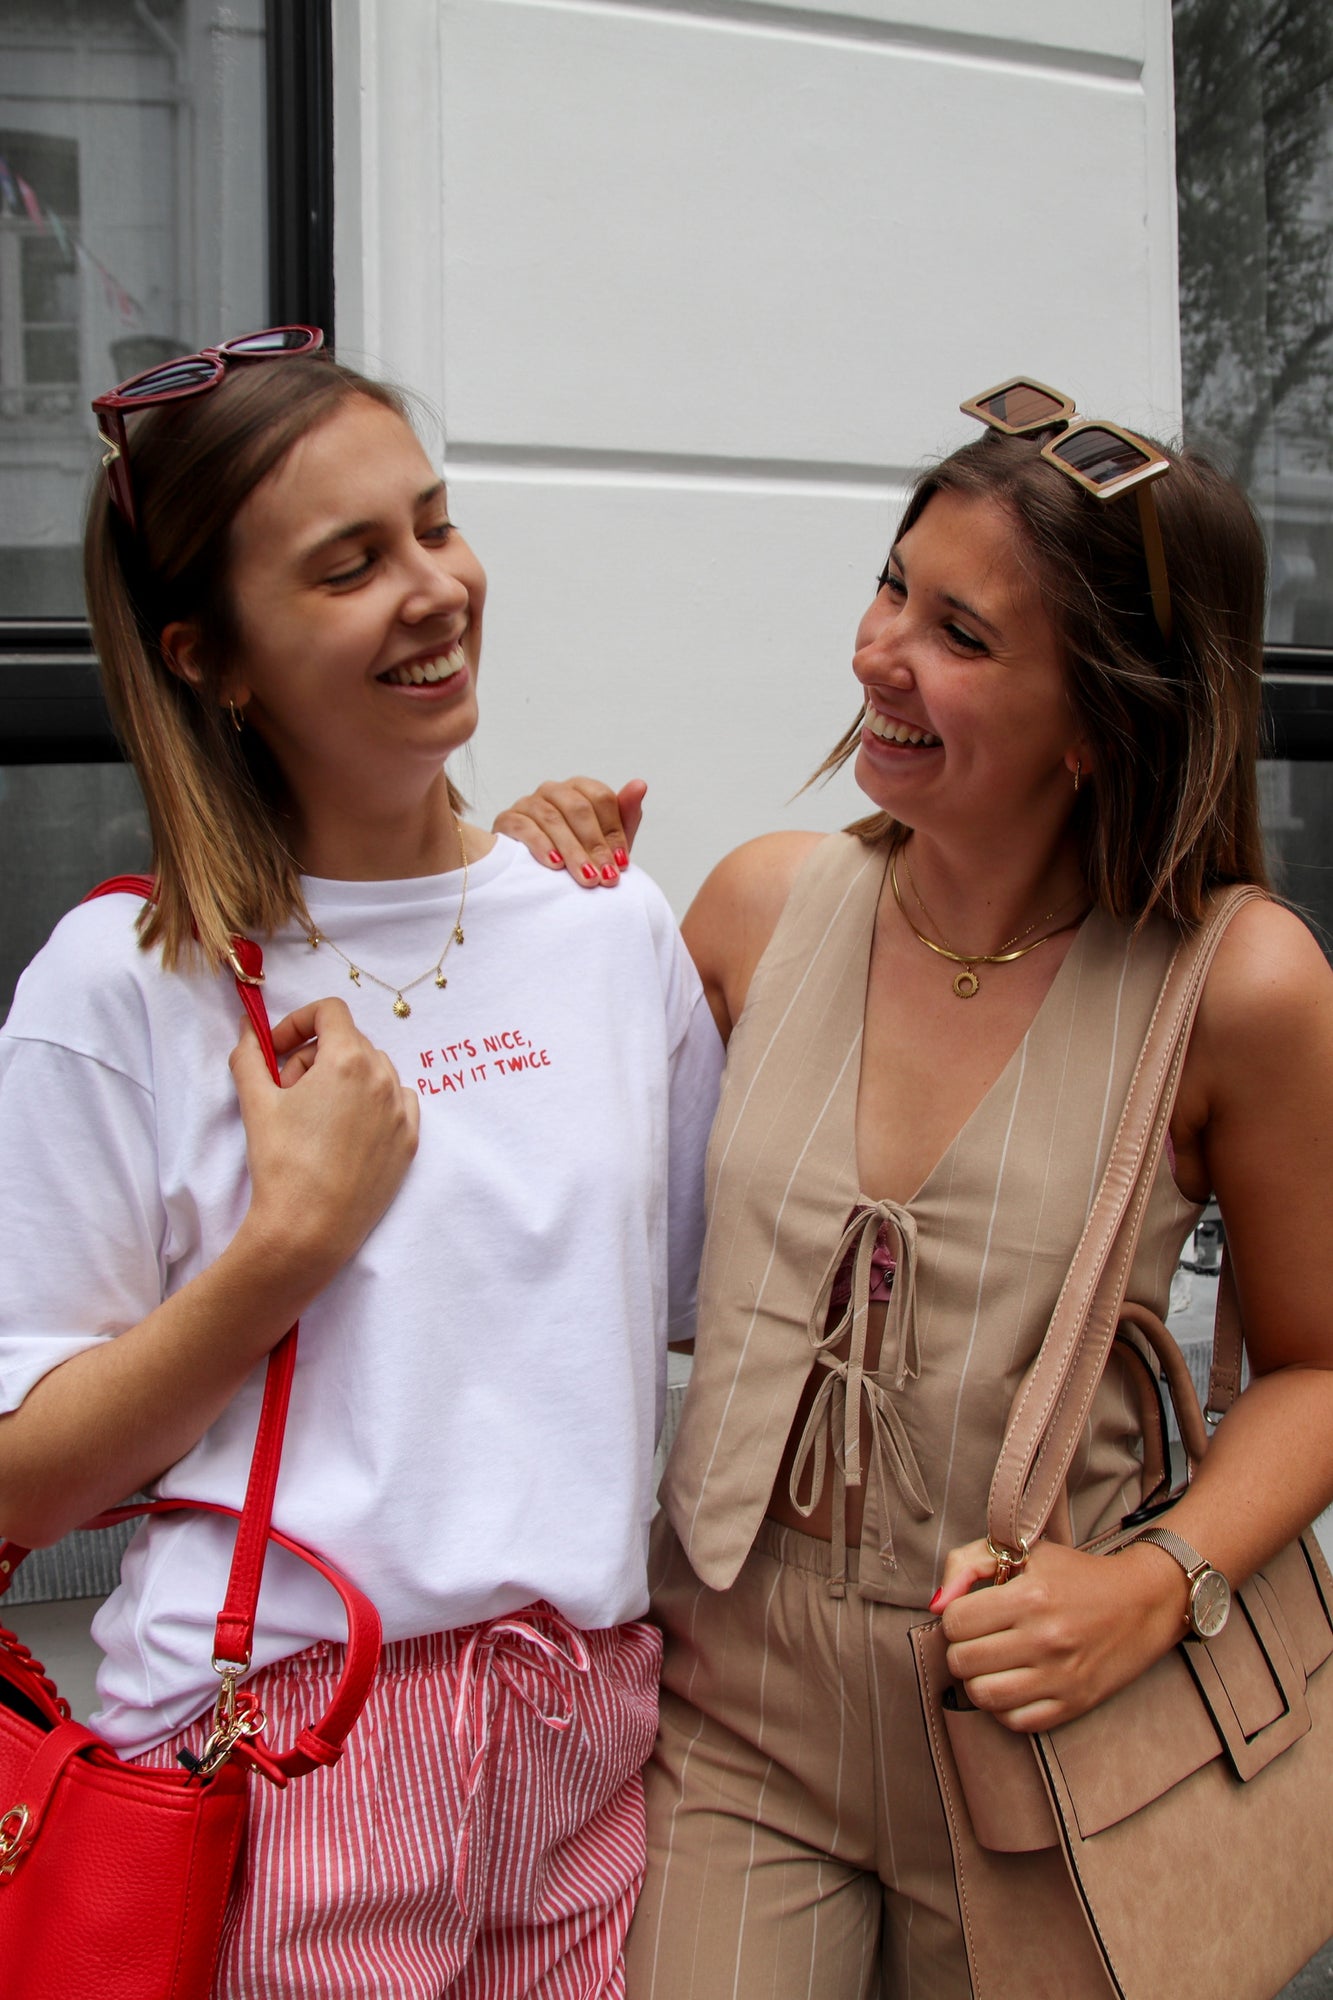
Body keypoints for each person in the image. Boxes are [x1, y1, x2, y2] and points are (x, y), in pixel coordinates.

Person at [497, 377, 1333, 1996]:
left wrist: (1150, 1588)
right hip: (733, 1704)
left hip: (1047, 1726)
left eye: (959, 632)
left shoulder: (1237, 987)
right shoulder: (758, 911)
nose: (877, 652)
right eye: (892, 586)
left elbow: (1313, 1366)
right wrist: (517, 904)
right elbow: (561, 1234)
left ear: (1103, 712)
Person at [0, 328, 722, 1997]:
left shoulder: (610, 928)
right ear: (211, 660)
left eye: (434, 524)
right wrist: (284, 1254)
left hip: (586, 1738)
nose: (434, 588)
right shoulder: (125, 988)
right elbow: (23, 1487)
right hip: (283, 1754)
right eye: (348, 567)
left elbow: (685, 1310)